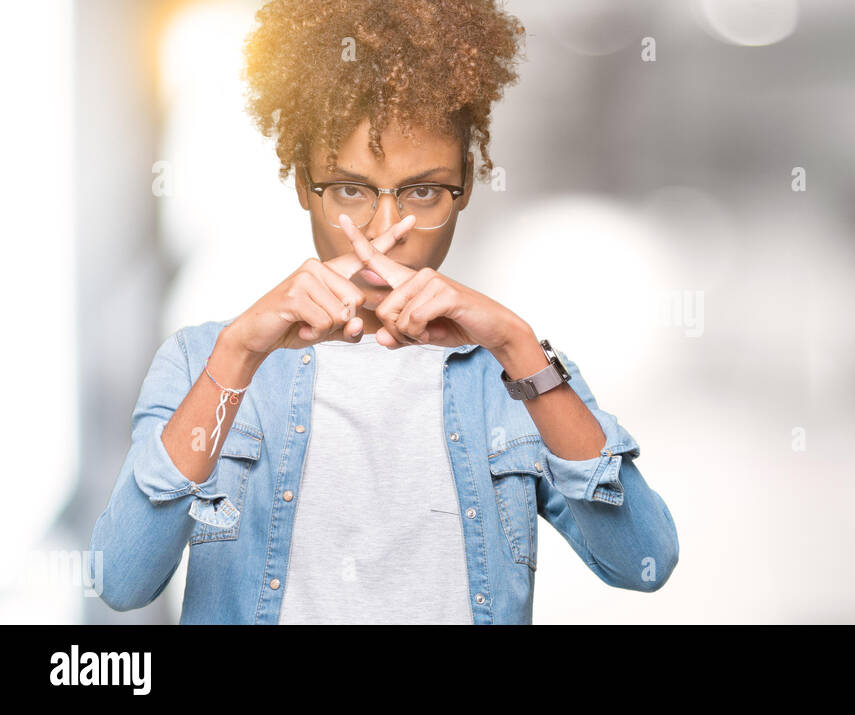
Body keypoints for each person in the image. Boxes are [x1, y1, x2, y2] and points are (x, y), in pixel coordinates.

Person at [89, 0, 678, 624]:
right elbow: (122, 580)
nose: (385, 230)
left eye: (423, 191)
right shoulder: (203, 359)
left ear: (467, 186)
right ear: (301, 186)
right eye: (350, 189)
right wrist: (236, 358)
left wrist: (516, 346)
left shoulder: (517, 374)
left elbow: (644, 560)